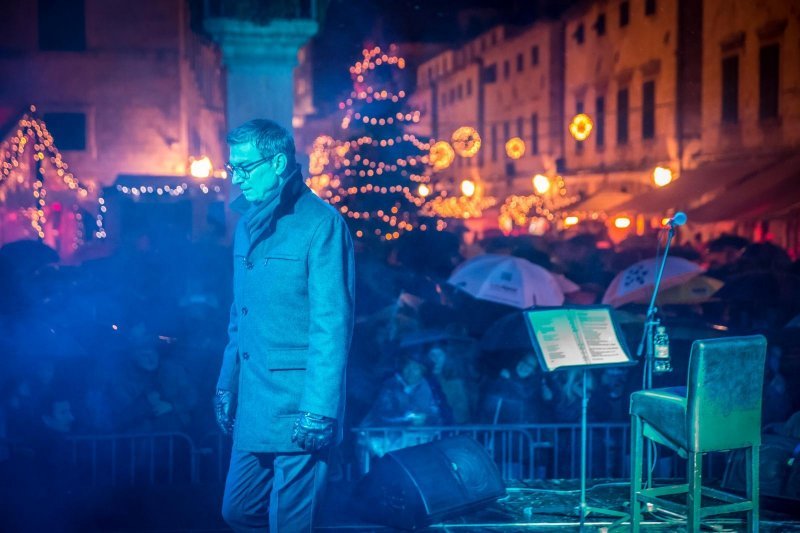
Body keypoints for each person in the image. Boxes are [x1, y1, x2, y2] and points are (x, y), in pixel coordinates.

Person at [214, 119, 355, 532]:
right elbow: (238, 318)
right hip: (255, 402)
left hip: (298, 406)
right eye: (232, 167)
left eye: (244, 167)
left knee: (292, 525)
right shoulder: (247, 225)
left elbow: (332, 325)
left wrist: (319, 409)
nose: (236, 178)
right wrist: (227, 383)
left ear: (277, 162)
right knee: (237, 511)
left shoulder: (321, 224)